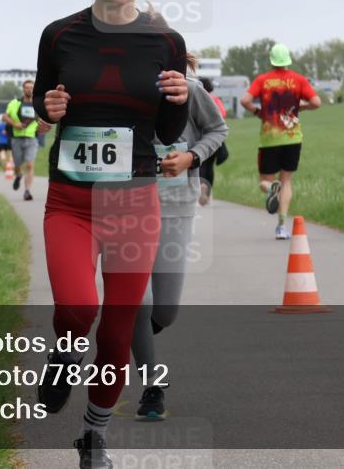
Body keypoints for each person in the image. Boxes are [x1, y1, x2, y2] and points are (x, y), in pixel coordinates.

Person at [33, 0, 189, 469]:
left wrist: (177, 100)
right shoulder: (60, 34)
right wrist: (47, 108)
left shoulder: (165, 42)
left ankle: (94, 434)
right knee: (78, 307)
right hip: (71, 201)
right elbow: (43, 103)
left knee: (120, 328)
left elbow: (166, 133)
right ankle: (63, 354)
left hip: (134, 199)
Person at [131, 57, 227, 420]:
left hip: (174, 204)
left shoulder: (190, 88)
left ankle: (130, 331)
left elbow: (217, 131)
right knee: (138, 303)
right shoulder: (118, 88)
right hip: (125, 203)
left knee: (164, 311)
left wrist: (191, 156)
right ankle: (151, 386)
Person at [240, 43, 321, 240]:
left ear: (271, 60)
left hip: (269, 138)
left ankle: (270, 189)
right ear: (288, 60)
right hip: (293, 137)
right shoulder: (299, 80)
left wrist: (258, 112)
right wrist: (298, 108)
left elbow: (244, 100)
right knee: (286, 182)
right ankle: (282, 227)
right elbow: (316, 102)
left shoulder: (262, 80)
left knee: (264, 182)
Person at [4, 80, 41, 201]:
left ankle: (27, 191)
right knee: (18, 165)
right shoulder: (15, 103)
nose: (29, 90)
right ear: (23, 89)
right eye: (27, 88)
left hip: (31, 138)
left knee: (30, 165)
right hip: (17, 138)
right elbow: (5, 116)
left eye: (31, 88)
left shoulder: (38, 104)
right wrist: (15, 124)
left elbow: (44, 118)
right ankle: (18, 175)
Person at [197, 77, 228, 205]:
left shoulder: (196, 97)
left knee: (200, 164)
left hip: (199, 136)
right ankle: (208, 193)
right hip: (214, 138)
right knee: (210, 166)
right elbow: (223, 114)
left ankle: (201, 186)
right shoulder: (214, 99)